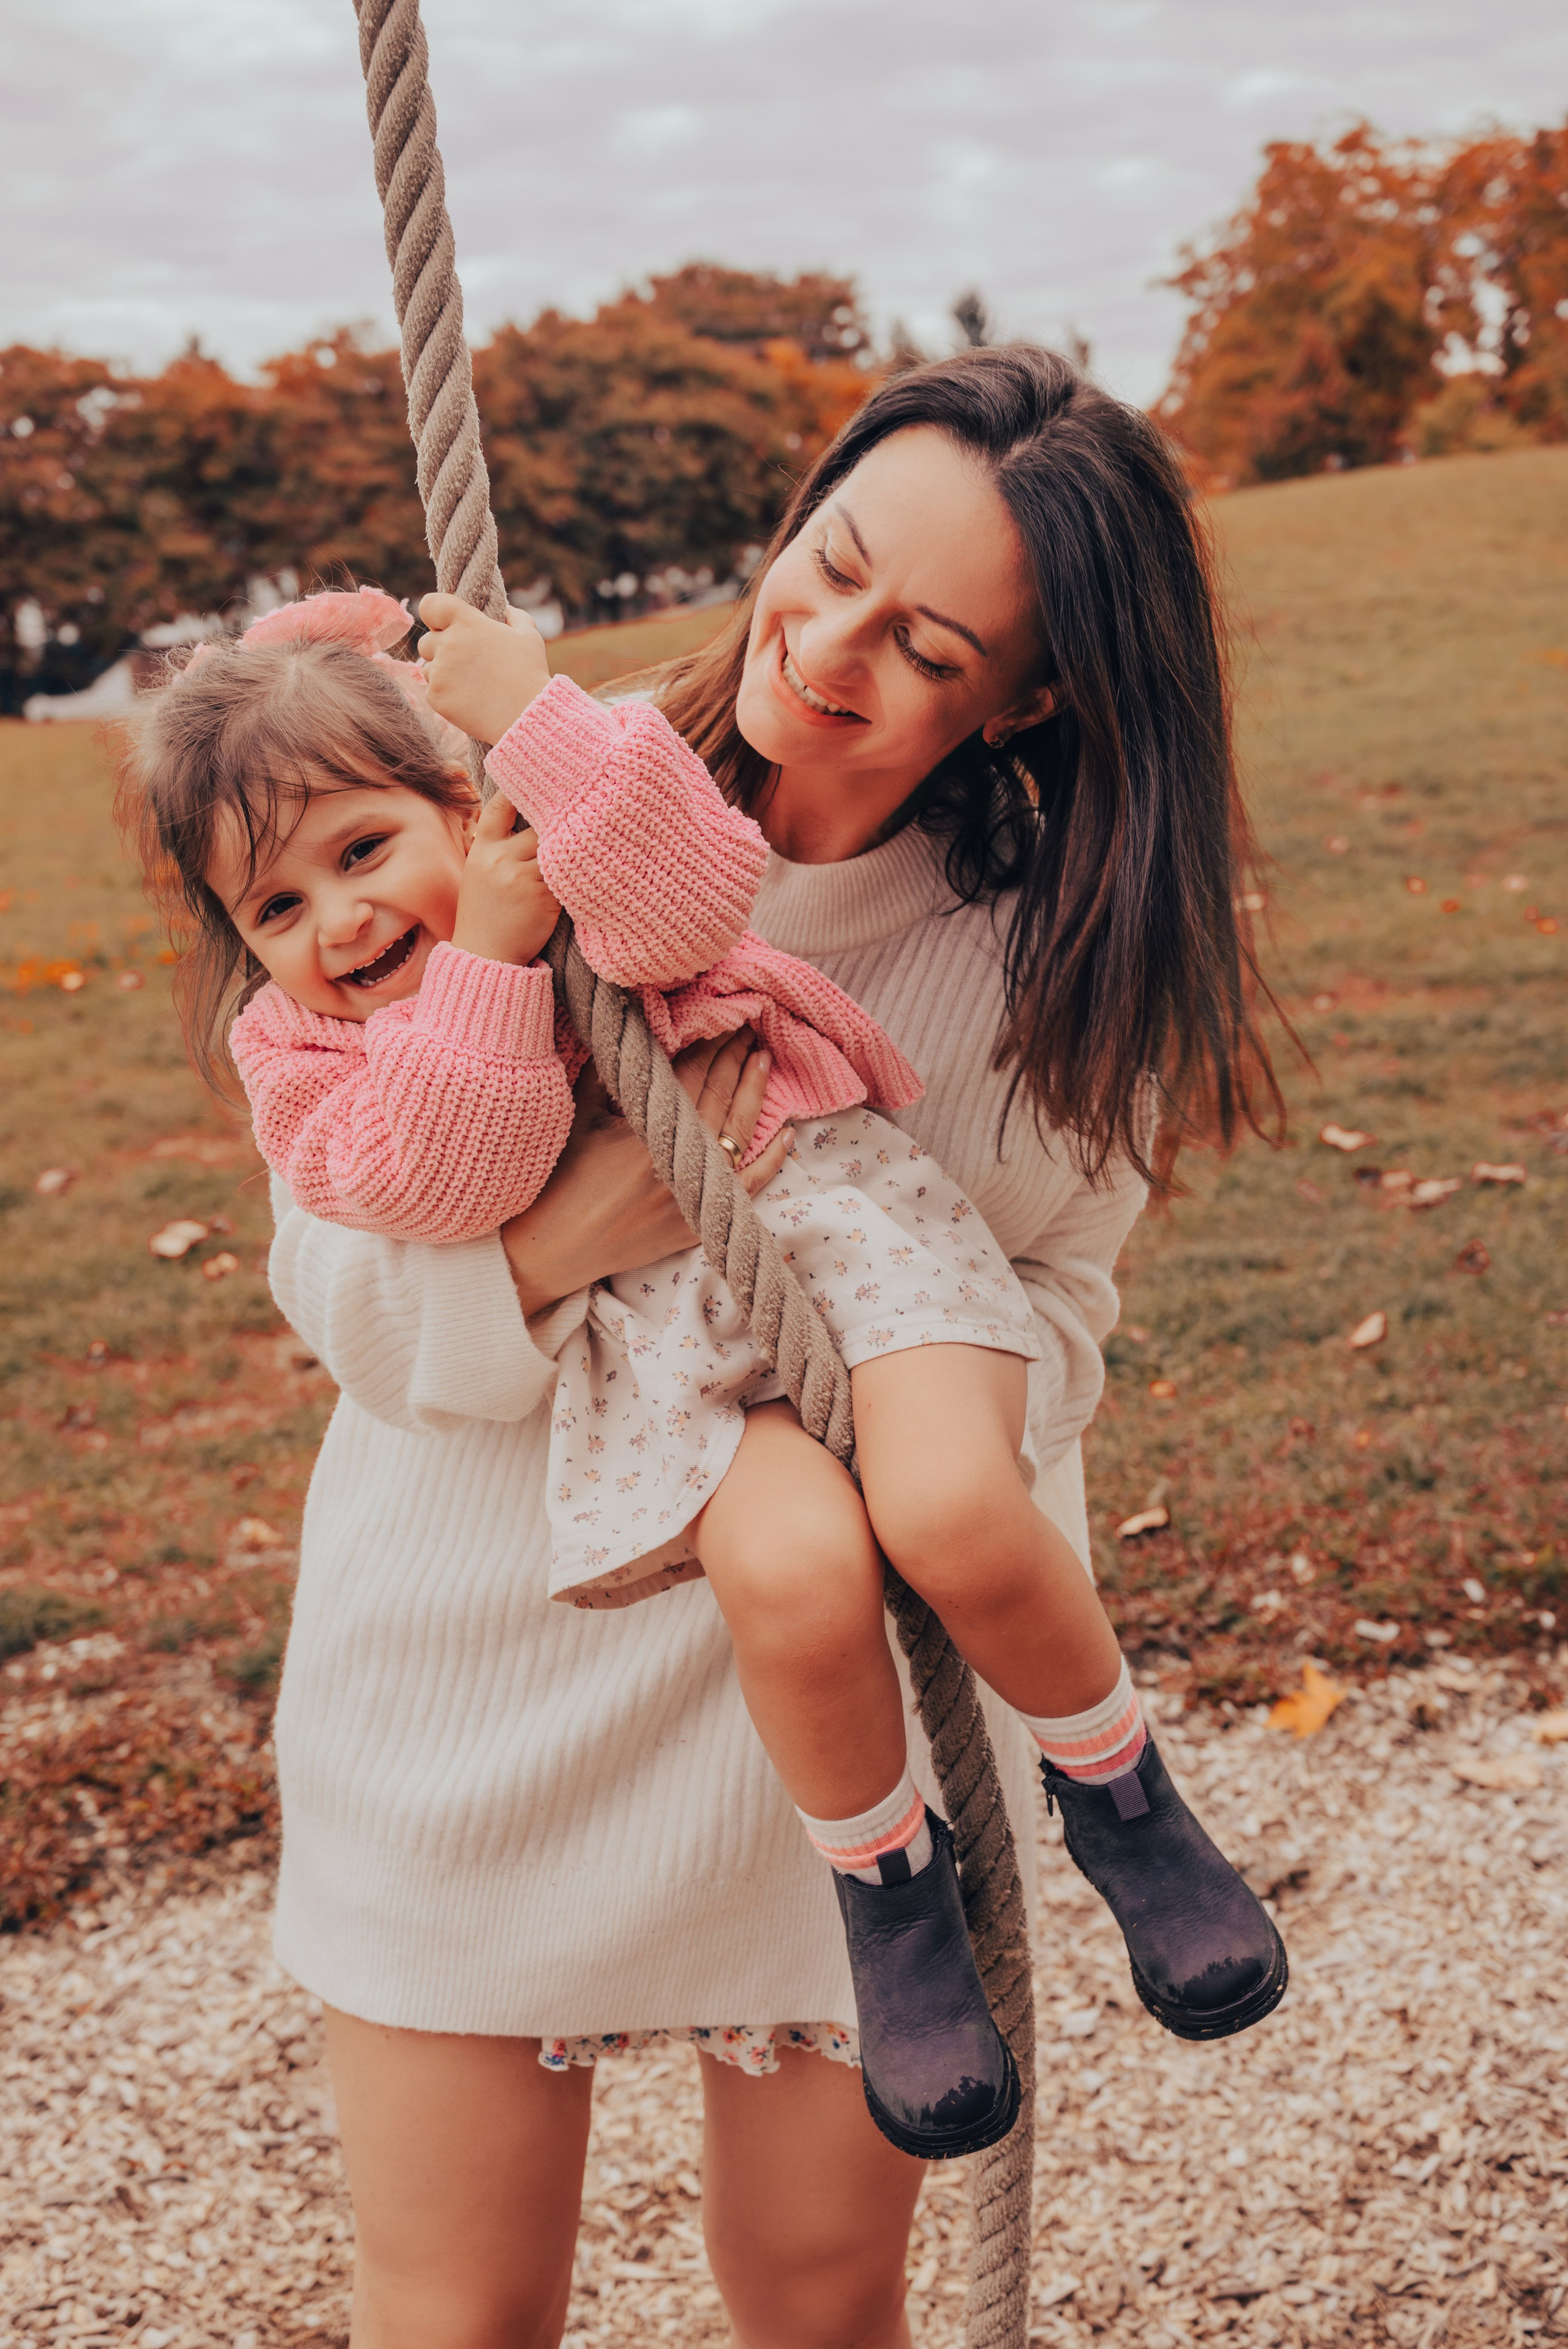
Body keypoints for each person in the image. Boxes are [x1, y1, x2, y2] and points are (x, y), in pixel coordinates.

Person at [121, 345, 1284, 2349]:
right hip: (479, 1668)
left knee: (822, 2299)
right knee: (461, 2310)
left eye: (922, 642)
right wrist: (603, 1227)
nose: (826, 653)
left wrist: (882, 1446)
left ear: (1032, 694)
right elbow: (356, 1301)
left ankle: (1108, 1811)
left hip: (836, 1750)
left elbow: (1059, 1319)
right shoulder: (481, 797)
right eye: (825, 565)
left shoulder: (1054, 947)